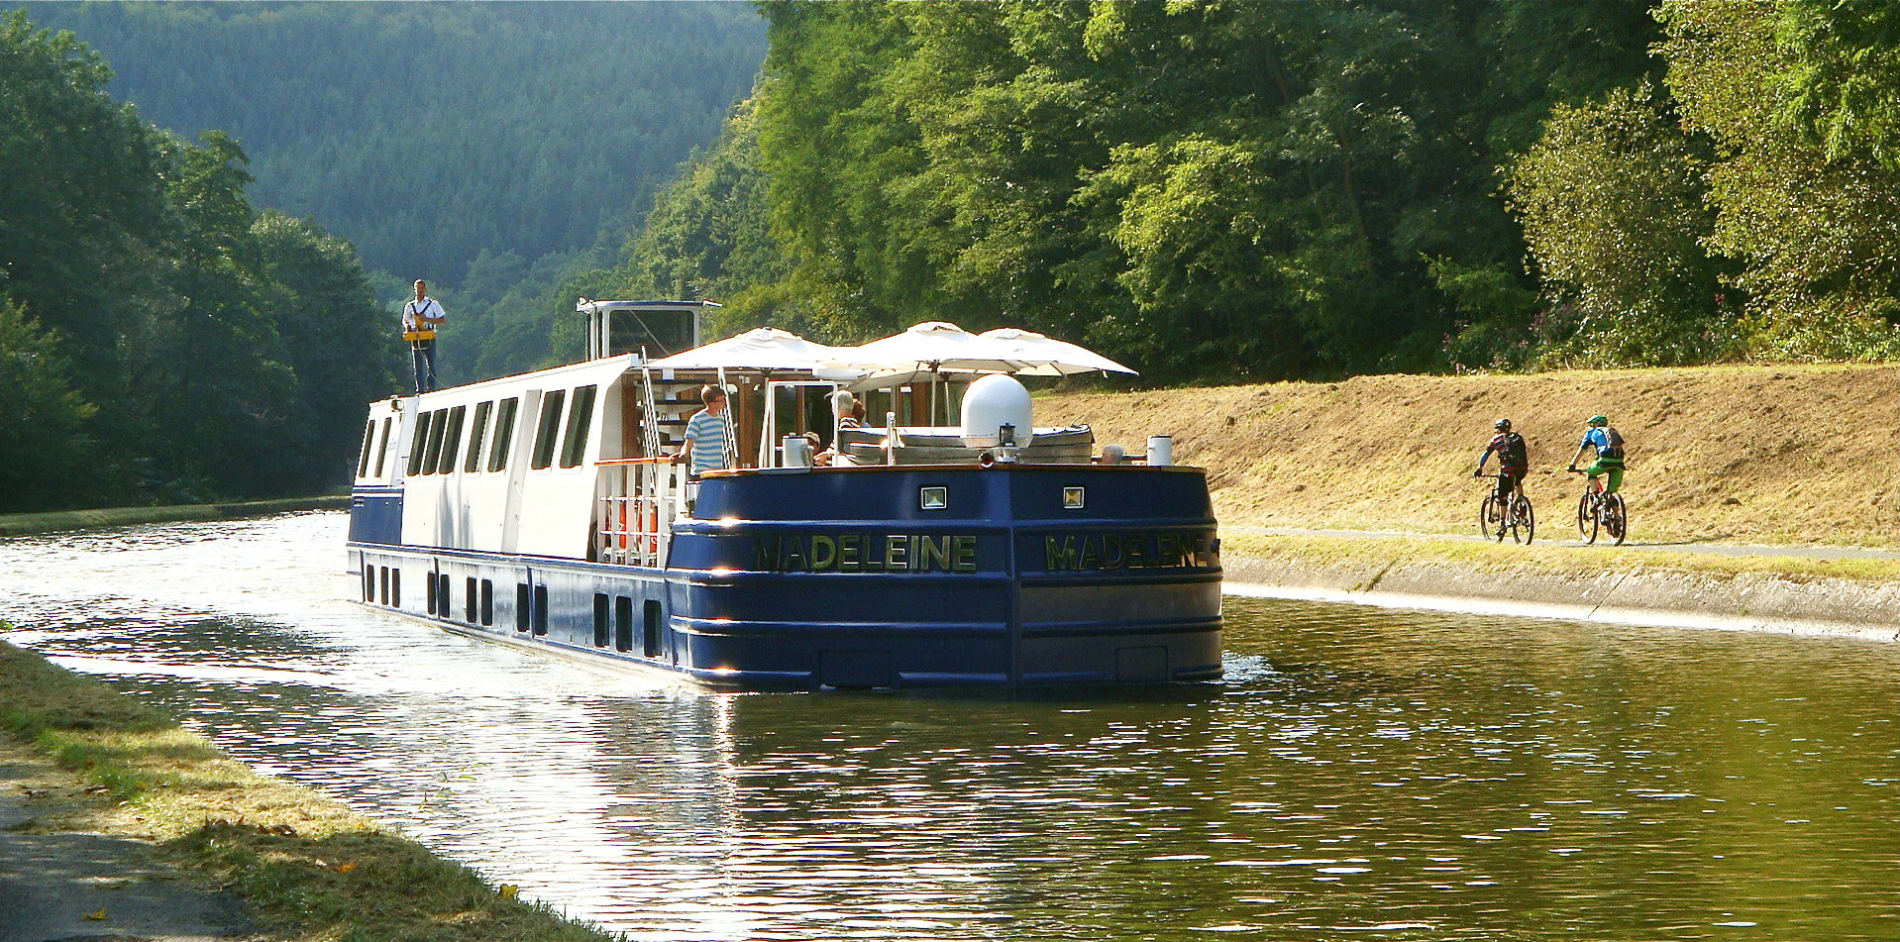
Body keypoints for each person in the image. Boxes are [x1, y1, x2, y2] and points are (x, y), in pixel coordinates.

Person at [1473, 417, 1530, 508]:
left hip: (1507, 471)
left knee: (1502, 496)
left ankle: (1503, 520)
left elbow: (1486, 453)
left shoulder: (1496, 440)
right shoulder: (1516, 437)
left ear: (1499, 429)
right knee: (1517, 481)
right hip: (1522, 468)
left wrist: (1479, 468)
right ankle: (1521, 502)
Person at [401, 279, 446, 393]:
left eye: (421, 288)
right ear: (414, 289)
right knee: (418, 366)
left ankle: (432, 388)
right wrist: (408, 326)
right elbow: (405, 320)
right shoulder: (410, 306)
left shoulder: (432, 304)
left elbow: (442, 320)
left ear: (425, 289)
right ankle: (419, 389)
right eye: (417, 288)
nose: (419, 291)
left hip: (428, 335)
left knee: (431, 364)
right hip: (416, 336)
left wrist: (427, 319)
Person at [1566, 414, 1626, 495]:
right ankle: (1614, 503)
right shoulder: (1612, 430)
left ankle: (1596, 496)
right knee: (1612, 494)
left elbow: (1581, 450)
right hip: (1619, 462)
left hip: (1604, 460)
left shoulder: (1592, 432)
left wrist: (1572, 465)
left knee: (1590, 472)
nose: (1590, 426)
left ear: (1596, 424)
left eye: (1592, 424)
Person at [679, 385, 730, 476]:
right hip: (701, 470)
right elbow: (689, 441)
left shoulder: (720, 419)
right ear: (712, 404)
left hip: (717, 470)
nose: (724, 402)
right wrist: (684, 454)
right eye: (721, 400)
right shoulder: (697, 419)